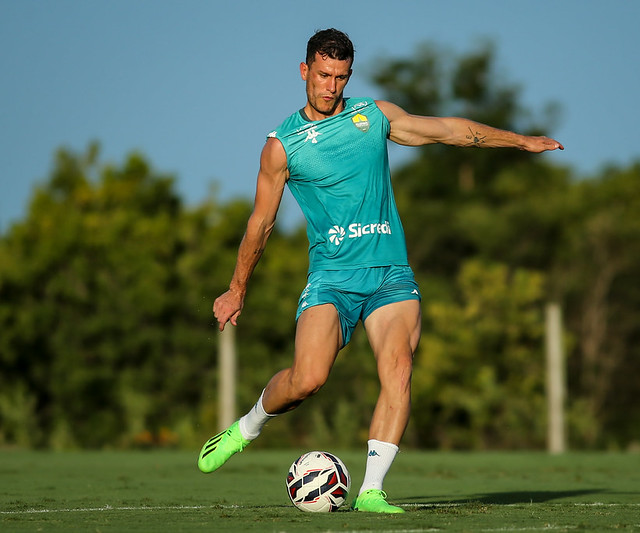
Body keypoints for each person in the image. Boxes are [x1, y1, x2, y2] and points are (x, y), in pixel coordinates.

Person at [197, 28, 563, 513]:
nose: (330, 87)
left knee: (399, 368)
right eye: (323, 75)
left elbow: (448, 131)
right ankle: (247, 427)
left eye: (340, 77)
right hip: (331, 279)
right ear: (304, 70)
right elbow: (260, 224)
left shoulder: (373, 115)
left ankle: (371, 490)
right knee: (308, 379)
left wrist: (519, 141)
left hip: (390, 274)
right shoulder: (282, 145)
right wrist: (236, 289)